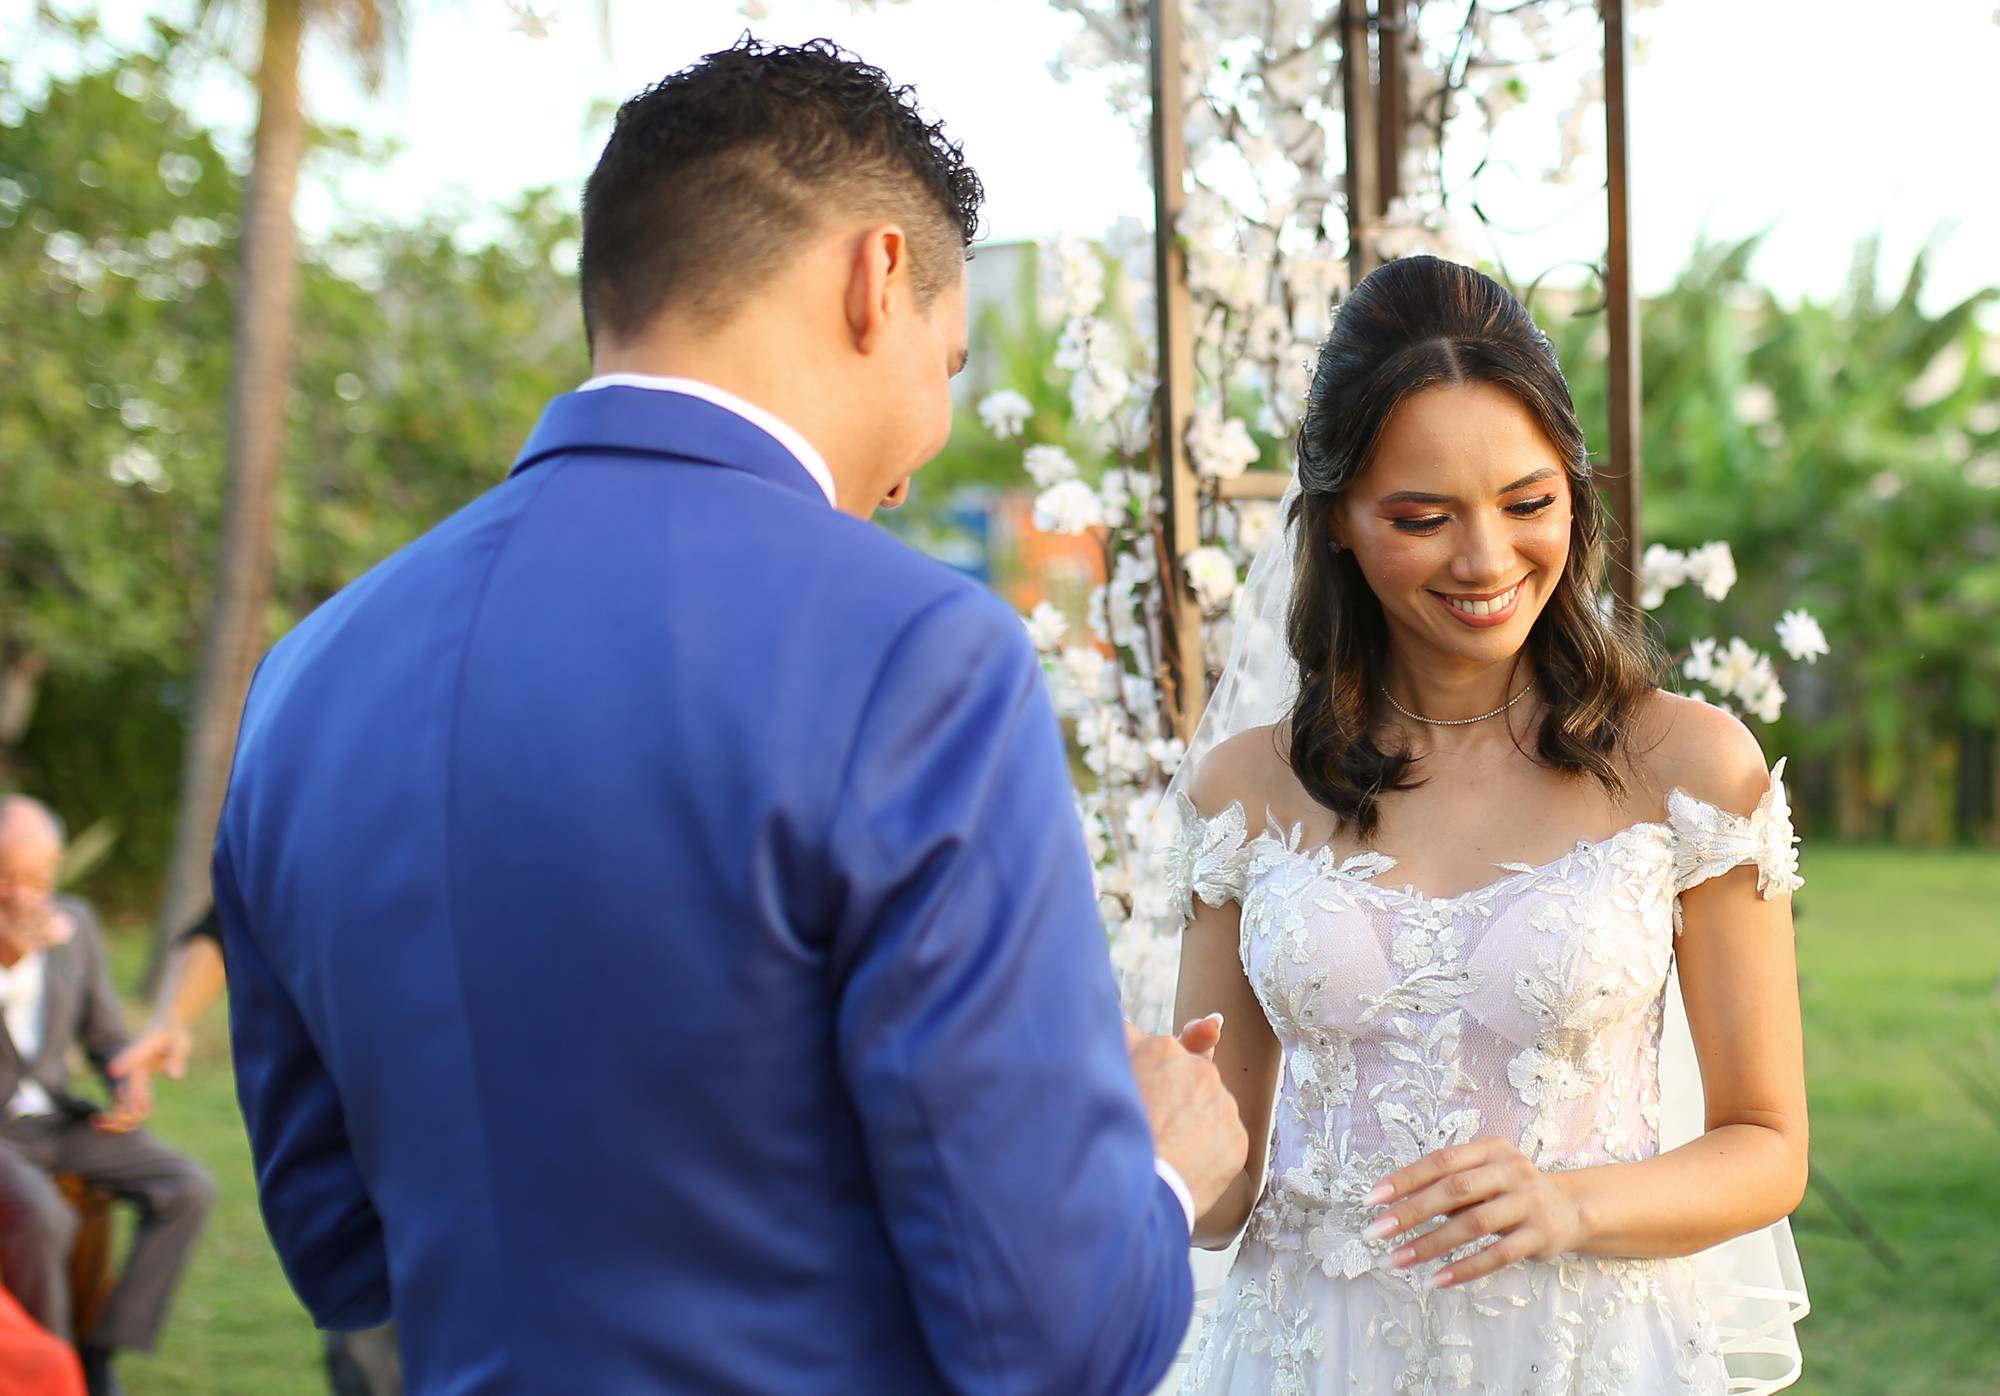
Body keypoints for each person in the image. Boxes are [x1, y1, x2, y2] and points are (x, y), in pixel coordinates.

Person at [212, 36, 1246, 1396]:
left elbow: (338, 1253)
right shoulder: (921, 653)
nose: (912, 458)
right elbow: (1046, 1339)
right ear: (879, 277)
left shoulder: (306, 676)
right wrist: (1163, 1165)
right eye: (948, 361)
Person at [1161, 256, 1811, 1395]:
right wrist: (1127, 1132)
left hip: (1589, 1353)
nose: (1484, 560)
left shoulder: (1689, 767)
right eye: (1421, 517)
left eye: (1526, 503)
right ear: (1339, 528)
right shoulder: (1242, 792)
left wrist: (1567, 1201)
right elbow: (1212, 1204)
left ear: (1572, 491)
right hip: (1310, 1354)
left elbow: (1764, 1145)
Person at [111, 911, 403, 1396]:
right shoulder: (298, 835)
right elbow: (232, 912)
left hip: (518, 1120)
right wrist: (171, 1018)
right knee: (370, 1328)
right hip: (370, 1117)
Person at [0, 796, 215, 1396]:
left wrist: (126, 1083)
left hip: (58, 1121)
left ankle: (100, 1352)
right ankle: (48, 1370)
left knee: (187, 1188)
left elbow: (105, 1037)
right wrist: (10, 962)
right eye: (5, 878)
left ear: (56, 868)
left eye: (35, 878)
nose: (21, 895)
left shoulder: (77, 925)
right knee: (42, 1216)